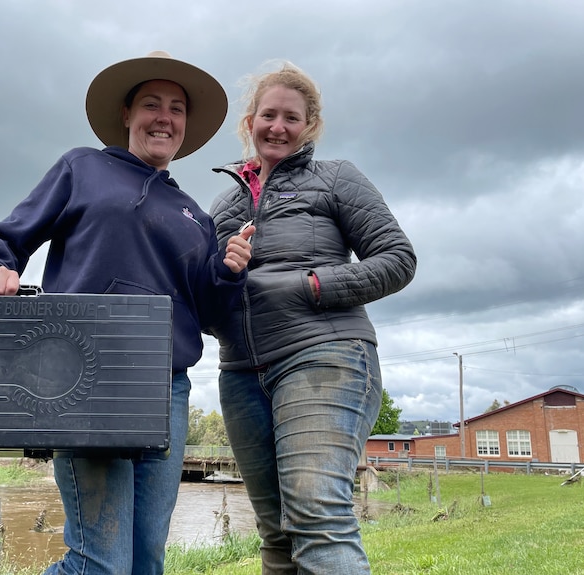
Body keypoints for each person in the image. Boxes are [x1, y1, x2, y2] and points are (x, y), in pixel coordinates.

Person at [0, 51, 254, 575]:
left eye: (176, 109)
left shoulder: (196, 215)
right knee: (100, 565)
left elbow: (209, 314)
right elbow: (6, 240)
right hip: (83, 377)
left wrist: (229, 273)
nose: (164, 117)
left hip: (166, 388)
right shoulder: (83, 167)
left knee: (145, 563)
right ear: (126, 114)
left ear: (186, 125)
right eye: (151, 104)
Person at [207, 62, 417, 574]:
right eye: (268, 115)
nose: (278, 126)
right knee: (277, 532)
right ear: (250, 121)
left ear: (311, 126)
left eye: (292, 118)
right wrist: (223, 276)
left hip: (324, 355)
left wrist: (313, 285)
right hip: (241, 375)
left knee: (317, 516)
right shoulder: (221, 204)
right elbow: (207, 304)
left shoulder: (337, 177)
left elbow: (397, 259)